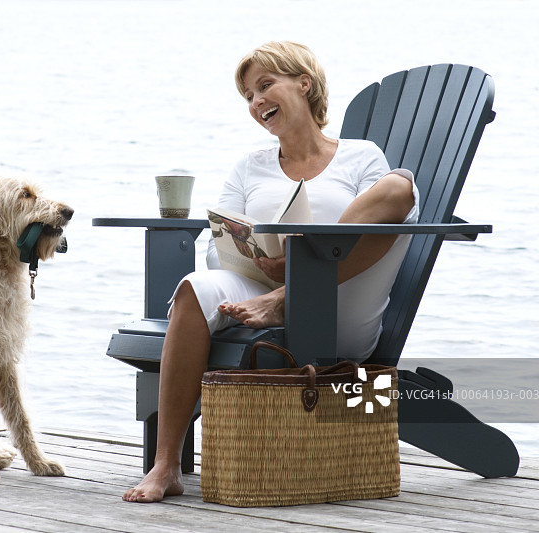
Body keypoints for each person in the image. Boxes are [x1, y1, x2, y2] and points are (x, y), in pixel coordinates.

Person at [122, 41, 419, 503]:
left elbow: (391, 209)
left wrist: (304, 267)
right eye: (247, 97)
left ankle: (289, 292)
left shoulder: (361, 157)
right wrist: (259, 259)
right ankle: (167, 465)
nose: (256, 101)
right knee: (192, 291)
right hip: (257, 286)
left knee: (399, 186)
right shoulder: (249, 165)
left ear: (303, 83)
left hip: (341, 303)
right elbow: (222, 242)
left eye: (265, 86)